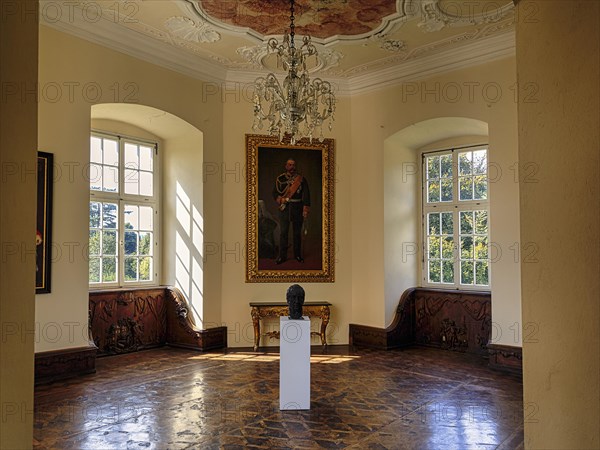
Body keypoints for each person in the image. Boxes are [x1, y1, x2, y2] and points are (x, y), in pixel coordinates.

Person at [272, 158, 310, 264]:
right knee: (283, 233)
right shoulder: (280, 179)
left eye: (293, 165)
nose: (292, 167)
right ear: (286, 166)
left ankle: (297, 255)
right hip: (285, 209)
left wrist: (305, 209)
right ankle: (282, 256)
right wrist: (280, 199)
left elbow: (306, 195)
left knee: (297, 233)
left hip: (298, 208)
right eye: (290, 165)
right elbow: (274, 193)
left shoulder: (301, 179)